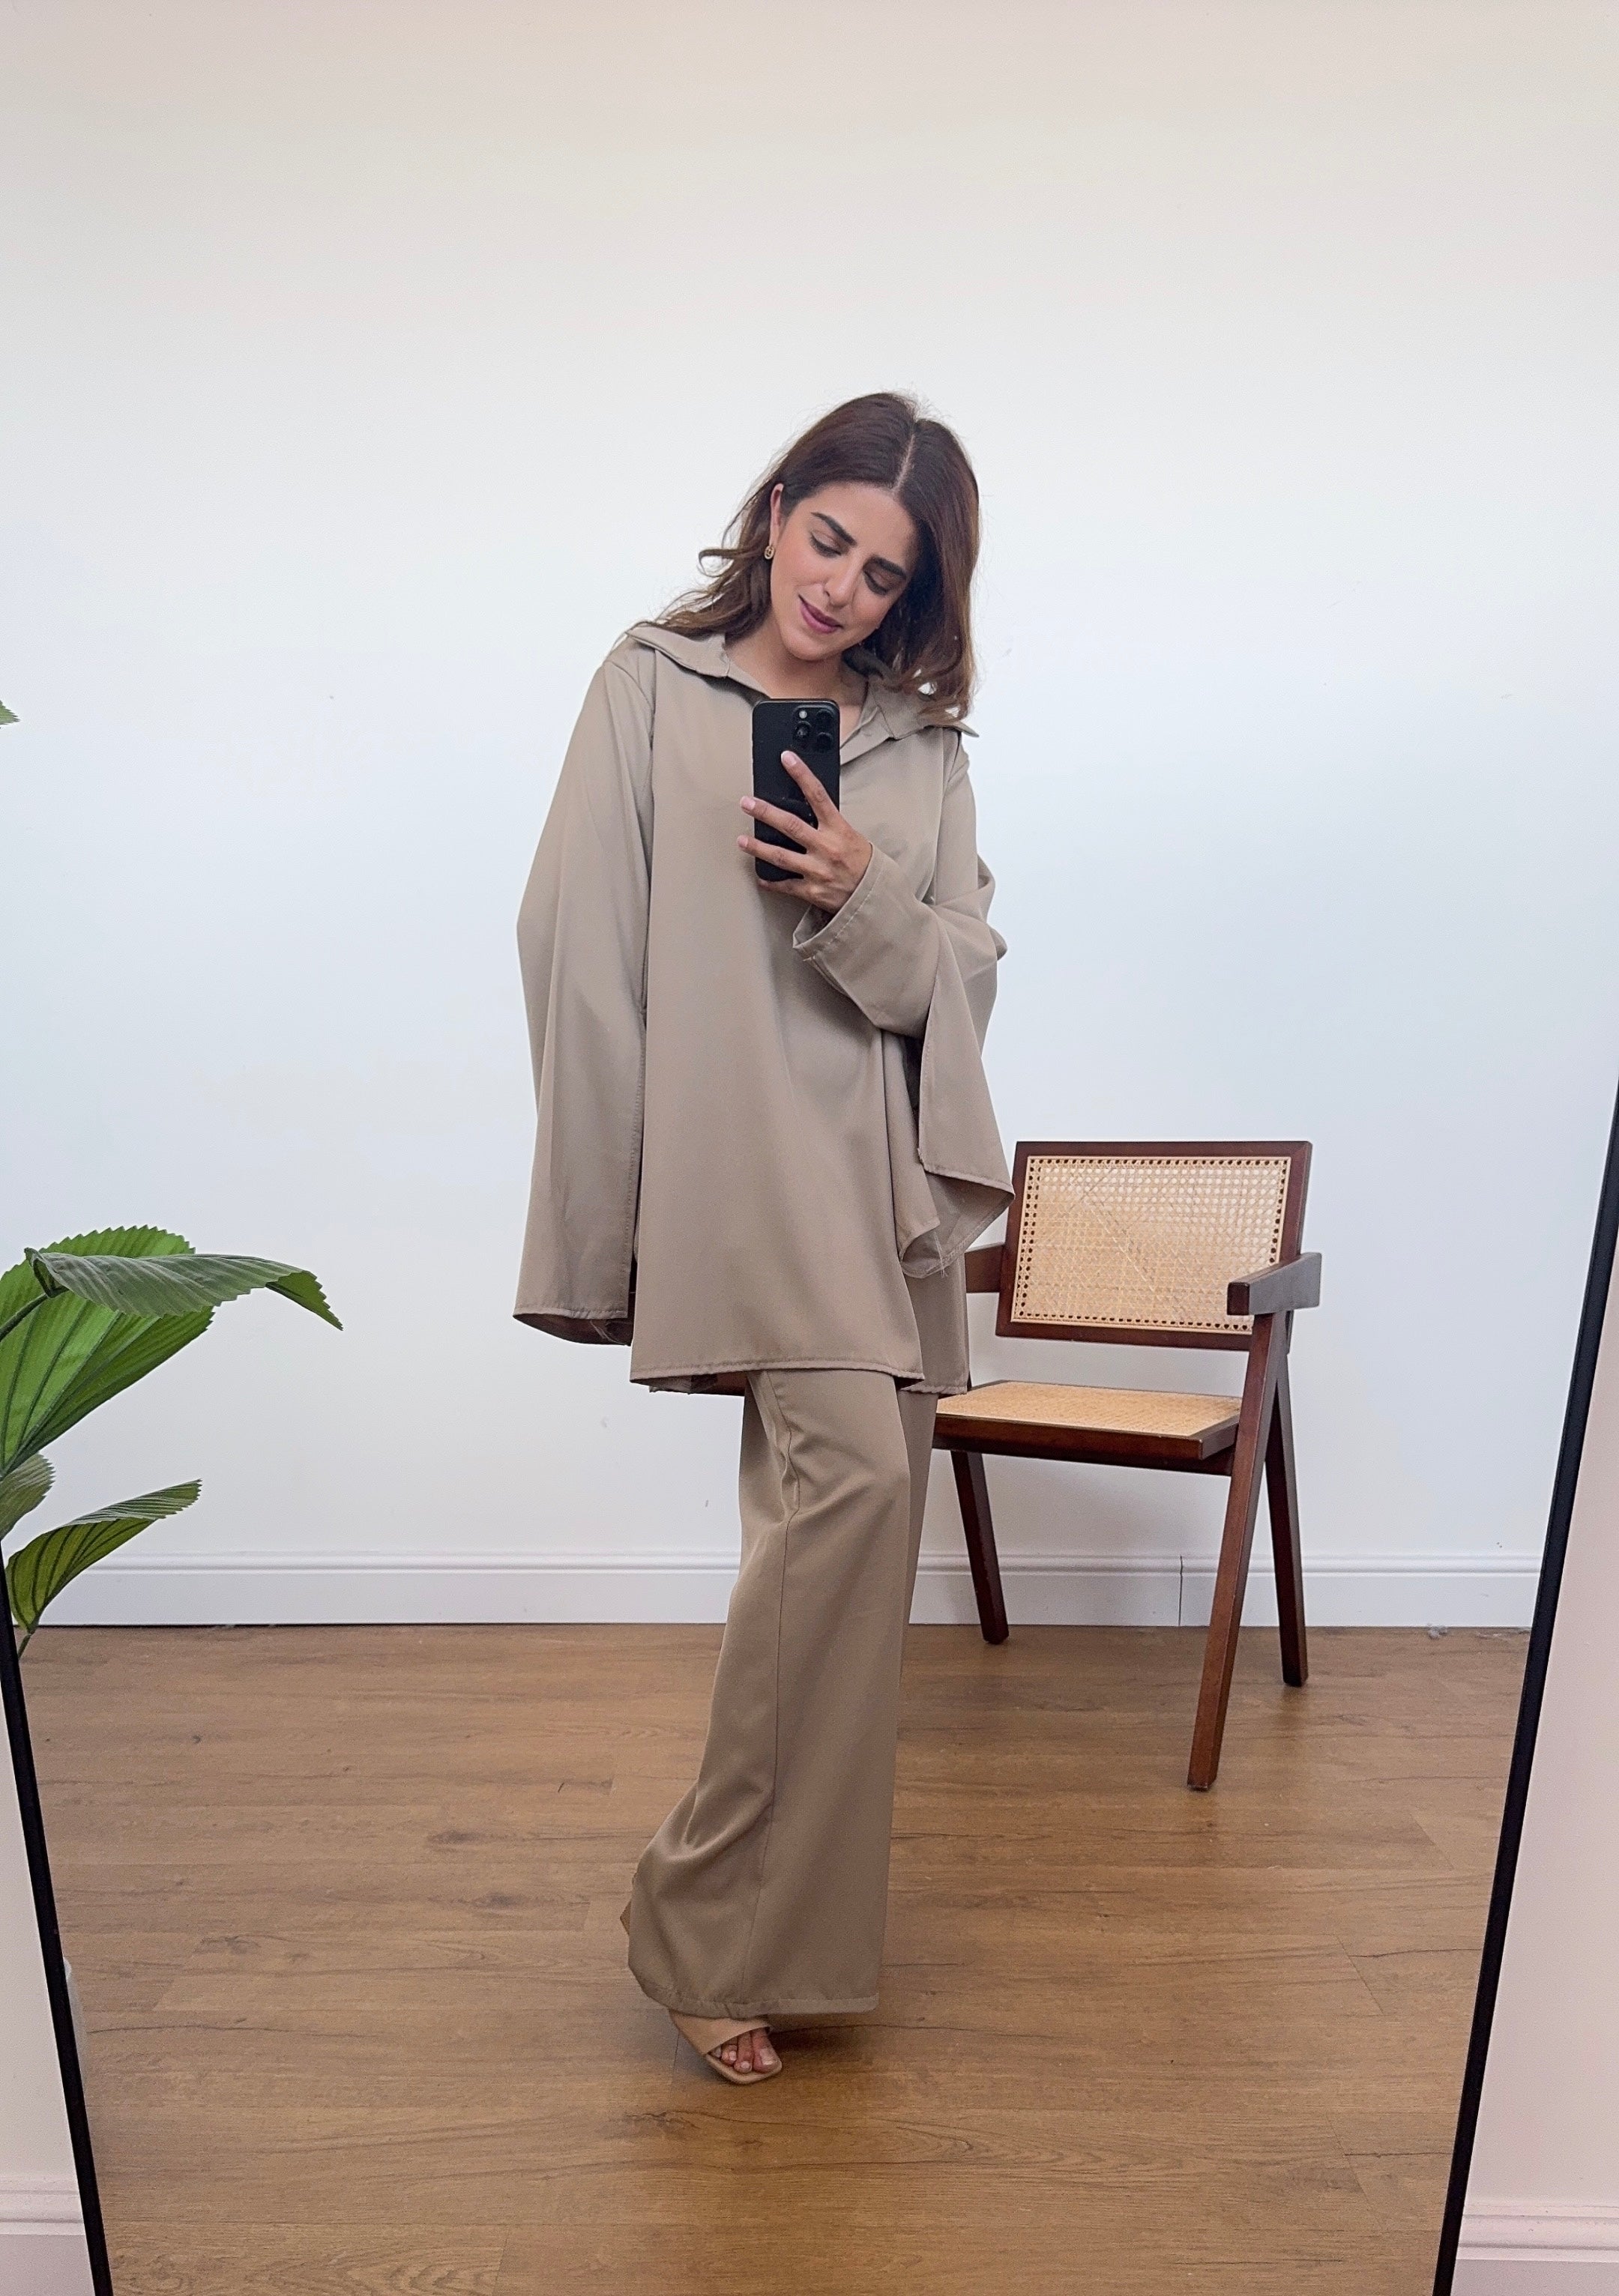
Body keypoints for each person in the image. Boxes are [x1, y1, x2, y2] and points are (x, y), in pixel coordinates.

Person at [515, 391, 1010, 2084]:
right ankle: (700, 1922)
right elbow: (578, 951)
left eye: (884, 576)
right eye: (829, 540)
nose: (841, 589)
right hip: (738, 1175)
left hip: (878, 1193)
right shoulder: (651, 686)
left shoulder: (923, 753)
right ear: (780, 503)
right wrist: (608, 1223)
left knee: (847, 1561)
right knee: (847, 1504)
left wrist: (866, 890)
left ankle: (757, 1935)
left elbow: (966, 975)